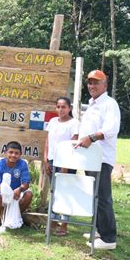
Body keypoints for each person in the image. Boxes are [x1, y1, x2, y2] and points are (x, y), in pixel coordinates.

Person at [75, 70, 120, 250]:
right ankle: (99, 230)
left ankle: (109, 239)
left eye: (96, 83)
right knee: (93, 196)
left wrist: (90, 138)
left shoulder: (109, 104)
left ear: (105, 85)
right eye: (90, 83)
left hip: (101, 159)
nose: (92, 86)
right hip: (90, 159)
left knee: (102, 198)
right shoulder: (92, 104)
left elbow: (110, 130)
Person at [44, 96, 79, 236]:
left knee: (66, 193)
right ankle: (53, 221)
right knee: (53, 191)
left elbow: (72, 145)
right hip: (53, 161)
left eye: (63, 107)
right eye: (58, 106)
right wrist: (46, 160)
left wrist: (65, 165)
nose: (60, 109)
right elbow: (47, 142)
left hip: (66, 163)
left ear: (69, 108)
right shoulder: (52, 122)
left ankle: (64, 225)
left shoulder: (74, 123)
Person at [0, 141, 33, 229]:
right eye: (11, 152)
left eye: (16, 153)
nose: (13, 155)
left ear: (20, 154)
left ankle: (17, 218)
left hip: (16, 192)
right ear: (5, 153)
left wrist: (19, 189)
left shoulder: (22, 164)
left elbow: (26, 183)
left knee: (29, 194)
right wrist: (9, 193)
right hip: (2, 193)